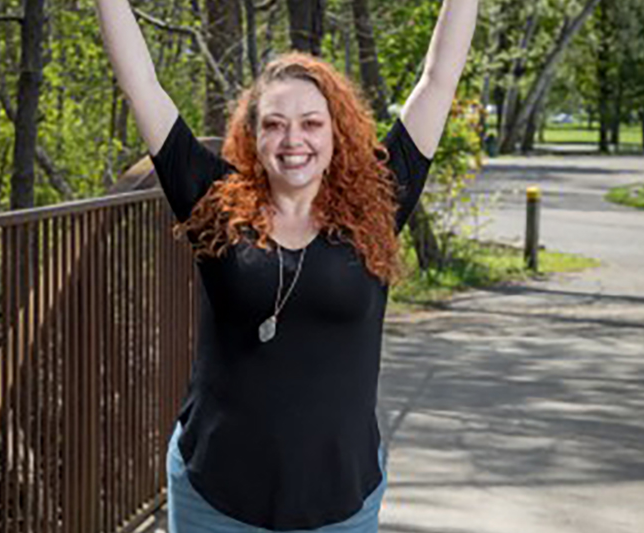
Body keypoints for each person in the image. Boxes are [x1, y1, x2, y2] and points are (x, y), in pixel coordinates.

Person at [95, 1, 478, 531]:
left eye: (310, 124)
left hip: (340, 500)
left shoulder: (377, 204)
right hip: (215, 494)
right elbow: (143, 85)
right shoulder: (213, 200)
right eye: (273, 125)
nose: (293, 141)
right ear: (252, 135)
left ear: (335, 131)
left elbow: (437, 80)